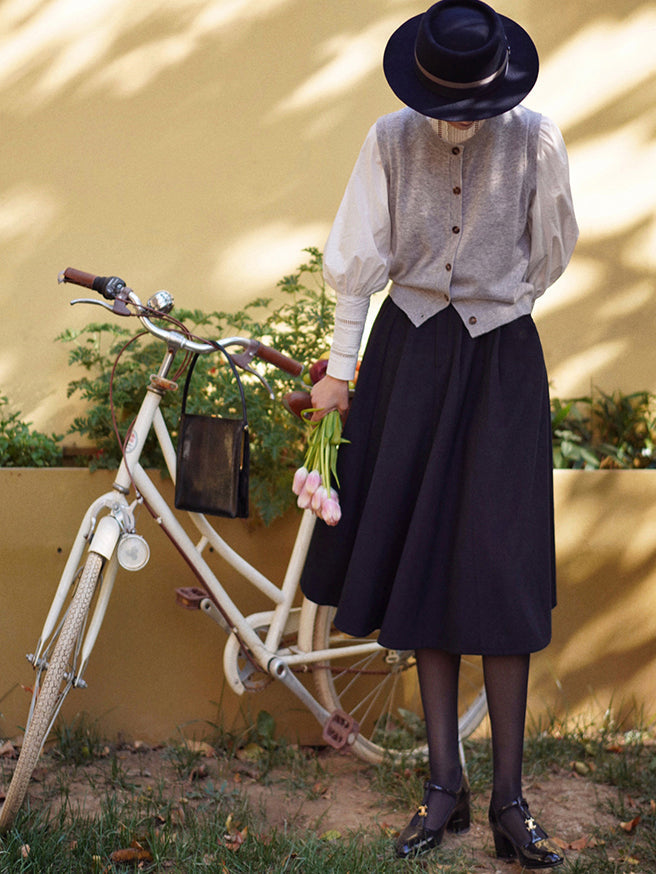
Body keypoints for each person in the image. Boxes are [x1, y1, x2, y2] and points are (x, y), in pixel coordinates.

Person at [299, 0, 578, 865]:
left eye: (472, 102)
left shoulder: (537, 140)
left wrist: (497, 307)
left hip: (500, 368)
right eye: (445, 100)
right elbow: (355, 266)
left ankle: (510, 802)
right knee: (427, 563)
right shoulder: (388, 139)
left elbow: (552, 251)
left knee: (499, 572)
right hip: (408, 362)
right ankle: (444, 788)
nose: (457, 115)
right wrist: (341, 371)